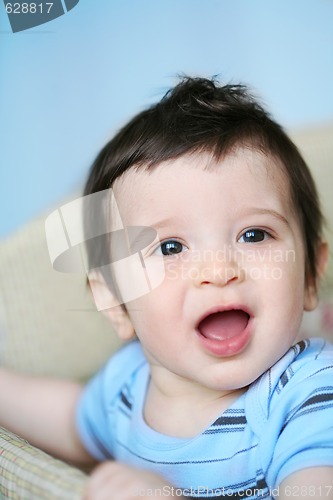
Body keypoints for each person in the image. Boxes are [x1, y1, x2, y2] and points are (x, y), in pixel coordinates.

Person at [0, 77, 332, 499]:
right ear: (116, 303)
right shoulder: (126, 383)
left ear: (309, 276)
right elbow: (68, 419)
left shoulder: (307, 394)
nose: (218, 270)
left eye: (253, 235)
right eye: (171, 247)